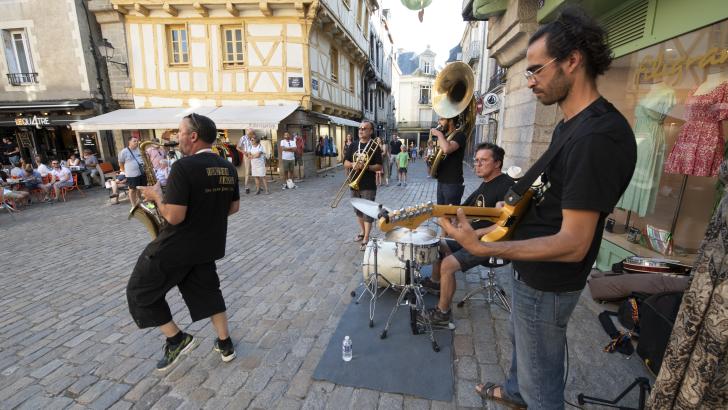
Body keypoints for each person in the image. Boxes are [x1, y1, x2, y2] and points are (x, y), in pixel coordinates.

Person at [439, 7, 637, 409]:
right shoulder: (570, 125)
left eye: (536, 70)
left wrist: (486, 249)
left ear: (572, 61)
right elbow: (542, 203)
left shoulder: (597, 138)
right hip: (532, 274)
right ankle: (514, 392)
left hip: (550, 282)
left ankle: (525, 394)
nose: (529, 81)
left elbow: (574, 244)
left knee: (543, 383)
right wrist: (478, 231)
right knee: (525, 349)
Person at [126, 113, 240, 371]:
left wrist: (156, 196)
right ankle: (225, 344)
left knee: (139, 291)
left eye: (179, 132)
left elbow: (174, 217)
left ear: (193, 136)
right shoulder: (228, 167)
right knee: (209, 293)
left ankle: (177, 339)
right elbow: (233, 207)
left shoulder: (183, 167)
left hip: (176, 247)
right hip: (206, 246)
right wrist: (205, 214)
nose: (176, 138)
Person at [420, 143, 515, 329]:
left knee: (448, 265)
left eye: (483, 161)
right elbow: (463, 209)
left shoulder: (506, 186)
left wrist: (477, 232)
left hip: (490, 243)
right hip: (471, 238)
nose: (477, 165)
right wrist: (451, 219)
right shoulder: (485, 184)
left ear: (497, 163)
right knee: (438, 245)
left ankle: (443, 313)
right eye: (476, 160)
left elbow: (508, 223)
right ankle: (435, 282)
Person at [344, 120, 382, 251]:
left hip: (368, 185)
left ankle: (366, 237)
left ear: (371, 131)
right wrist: (353, 164)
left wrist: (366, 166)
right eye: (360, 128)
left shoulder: (375, 146)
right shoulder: (353, 145)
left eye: (365, 128)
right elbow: (345, 162)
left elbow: (379, 166)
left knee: (368, 213)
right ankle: (362, 231)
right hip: (354, 183)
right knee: (358, 211)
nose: (361, 130)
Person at [430, 115, 467, 205]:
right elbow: (441, 155)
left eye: (442, 119)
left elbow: (447, 149)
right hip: (442, 181)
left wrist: (439, 134)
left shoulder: (459, 135)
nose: (439, 122)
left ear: (450, 121)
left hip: (452, 182)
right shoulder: (445, 136)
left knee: (450, 216)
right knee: (442, 214)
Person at [118, 136, 145, 208]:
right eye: (134, 141)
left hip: (141, 172)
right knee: (132, 189)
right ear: (129, 142)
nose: (137, 142)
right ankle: (133, 205)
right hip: (131, 174)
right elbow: (121, 163)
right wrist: (124, 171)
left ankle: (140, 200)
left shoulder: (139, 150)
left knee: (141, 187)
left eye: (137, 141)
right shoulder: (124, 151)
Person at [236, 130, 253, 194]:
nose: (250, 135)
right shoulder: (243, 138)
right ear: (247, 133)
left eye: (251, 133)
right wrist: (243, 152)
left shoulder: (254, 137)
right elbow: (237, 147)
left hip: (254, 155)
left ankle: (258, 186)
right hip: (247, 155)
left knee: (255, 170)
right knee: (247, 171)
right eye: (249, 134)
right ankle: (246, 187)